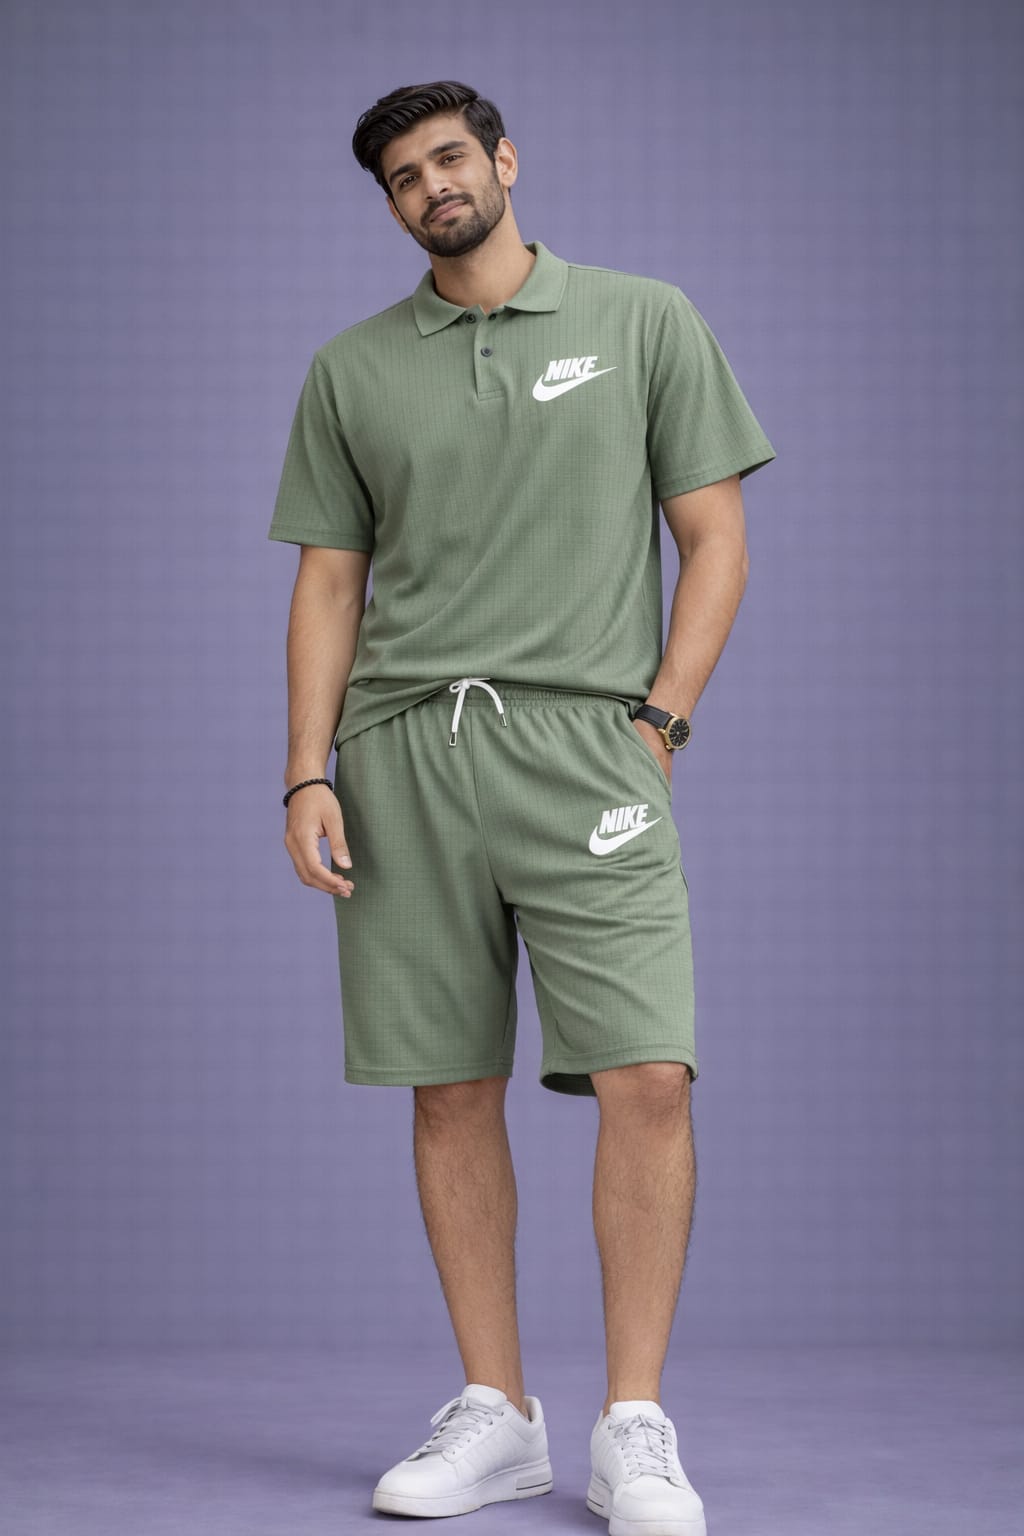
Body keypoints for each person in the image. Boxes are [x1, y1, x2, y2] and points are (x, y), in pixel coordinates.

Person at [267, 79, 776, 1534]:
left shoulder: (644, 320)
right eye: (401, 177)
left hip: (588, 747)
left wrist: (662, 717)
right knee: (448, 1082)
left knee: (648, 1075)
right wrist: (307, 767)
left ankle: (634, 1423)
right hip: (405, 752)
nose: (431, 185)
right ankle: (497, 1412)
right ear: (390, 206)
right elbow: (328, 583)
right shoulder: (351, 370)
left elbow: (715, 537)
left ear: (502, 160)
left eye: (448, 158)